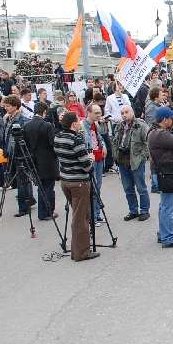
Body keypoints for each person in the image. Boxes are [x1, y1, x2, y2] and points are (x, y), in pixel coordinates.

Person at [54, 111, 100, 261]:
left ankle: (76, 249)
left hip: (66, 179)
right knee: (81, 217)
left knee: (77, 214)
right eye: (78, 121)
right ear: (74, 124)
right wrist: (91, 159)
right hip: (79, 181)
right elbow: (86, 166)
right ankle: (81, 252)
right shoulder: (76, 140)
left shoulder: (58, 136)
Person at [147, 107, 173, 248]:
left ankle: (163, 233)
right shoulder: (159, 134)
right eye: (172, 119)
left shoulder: (155, 131)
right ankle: (168, 238)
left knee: (164, 205)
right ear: (165, 120)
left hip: (163, 172)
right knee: (169, 208)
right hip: (166, 173)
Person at [111, 105, 150, 222]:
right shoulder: (119, 126)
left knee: (141, 188)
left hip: (136, 161)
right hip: (122, 161)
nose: (124, 115)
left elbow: (147, 142)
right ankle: (133, 210)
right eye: (122, 113)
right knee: (128, 188)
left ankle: (144, 210)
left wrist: (142, 157)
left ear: (132, 112)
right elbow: (115, 142)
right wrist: (115, 155)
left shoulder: (141, 125)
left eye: (126, 112)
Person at [22, 102, 59, 221]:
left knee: (40, 187)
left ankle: (41, 212)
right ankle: (48, 211)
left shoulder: (26, 125)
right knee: (48, 187)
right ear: (44, 112)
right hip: (47, 160)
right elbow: (52, 143)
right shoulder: (47, 125)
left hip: (33, 160)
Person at [1, 95, 32, 218]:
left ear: (15, 106)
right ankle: (29, 200)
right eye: (5, 106)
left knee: (22, 180)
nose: (6, 108)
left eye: (8, 106)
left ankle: (23, 207)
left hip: (19, 153)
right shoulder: (9, 118)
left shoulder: (21, 119)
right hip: (11, 153)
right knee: (21, 180)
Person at [81, 104, 107, 225]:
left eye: (99, 113)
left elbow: (99, 137)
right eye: (96, 113)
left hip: (99, 158)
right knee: (93, 189)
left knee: (98, 187)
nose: (98, 115)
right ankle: (92, 217)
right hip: (90, 159)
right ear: (88, 113)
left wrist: (104, 146)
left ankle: (96, 214)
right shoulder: (82, 126)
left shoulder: (96, 125)